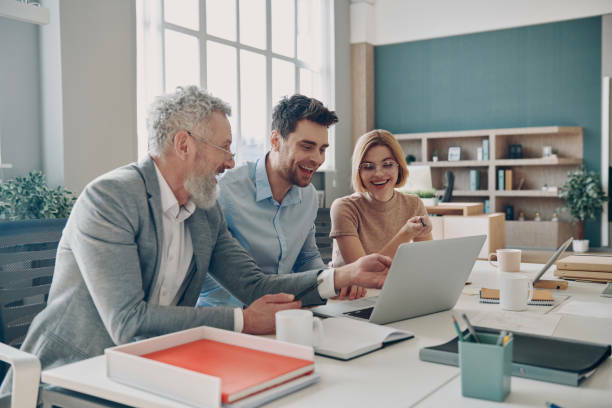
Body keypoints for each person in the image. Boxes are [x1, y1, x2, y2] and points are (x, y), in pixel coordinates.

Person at [0, 87, 391, 395]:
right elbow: (127, 322)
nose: (231, 162)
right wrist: (242, 320)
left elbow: (253, 285)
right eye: (223, 148)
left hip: (157, 367)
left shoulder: (204, 209)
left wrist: (339, 278)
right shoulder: (110, 198)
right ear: (184, 144)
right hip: (74, 372)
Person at [198, 94, 366, 307]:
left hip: (286, 313)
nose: (317, 158)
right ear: (276, 141)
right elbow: (239, 283)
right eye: (307, 146)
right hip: (230, 318)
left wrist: (335, 282)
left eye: (322, 149)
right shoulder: (225, 192)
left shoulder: (308, 196)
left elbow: (307, 258)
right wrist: (335, 278)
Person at [329, 129, 433, 298]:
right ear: (359, 172)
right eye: (368, 167)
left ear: (399, 166)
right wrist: (405, 233)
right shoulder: (344, 207)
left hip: (393, 292)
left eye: (387, 164)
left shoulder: (413, 204)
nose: (378, 173)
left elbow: (427, 262)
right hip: (351, 298)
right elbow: (365, 273)